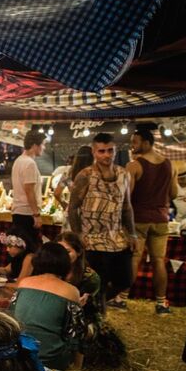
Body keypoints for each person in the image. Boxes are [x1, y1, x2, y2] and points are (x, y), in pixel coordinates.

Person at [68, 132, 137, 313]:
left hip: (117, 239)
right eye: (102, 151)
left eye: (110, 150)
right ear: (94, 152)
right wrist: (79, 234)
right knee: (96, 282)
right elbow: (73, 207)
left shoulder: (123, 174)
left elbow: (127, 207)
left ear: (115, 150)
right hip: (93, 241)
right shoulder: (85, 175)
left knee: (125, 280)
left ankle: (99, 304)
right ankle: (95, 314)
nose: (106, 155)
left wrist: (132, 233)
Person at [125, 128, 177, 314]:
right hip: (161, 219)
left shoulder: (134, 165)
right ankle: (161, 303)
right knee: (159, 261)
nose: (132, 146)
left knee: (134, 258)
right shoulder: (169, 164)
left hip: (139, 219)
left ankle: (121, 298)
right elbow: (174, 193)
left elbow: (126, 197)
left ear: (146, 143)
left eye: (135, 142)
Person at [10, 242, 86, 370]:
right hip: (51, 360)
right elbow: (75, 334)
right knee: (84, 331)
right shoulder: (71, 291)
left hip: (18, 354)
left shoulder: (24, 283)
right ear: (65, 263)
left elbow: (11, 318)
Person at [58, 231, 101, 369]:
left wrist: (77, 305)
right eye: (59, 251)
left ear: (78, 252)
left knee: (80, 328)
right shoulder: (53, 269)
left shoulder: (89, 277)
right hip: (58, 310)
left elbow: (90, 310)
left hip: (84, 315)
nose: (63, 256)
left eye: (68, 251)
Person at [11, 130, 47, 240]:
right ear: (35, 145)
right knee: (29, 249)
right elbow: (29, 190)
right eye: (43, 144)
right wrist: (36, 215)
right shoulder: (29, 163)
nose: (44, 148)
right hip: (27, 214)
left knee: (20, 248)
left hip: (18, 212)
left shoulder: (19, 160)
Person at [53, 146, 93, 212]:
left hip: (73, 210)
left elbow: (57, 193)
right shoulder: (94, 173)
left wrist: (65, 205)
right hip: (90, 210)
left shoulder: (68, 173)